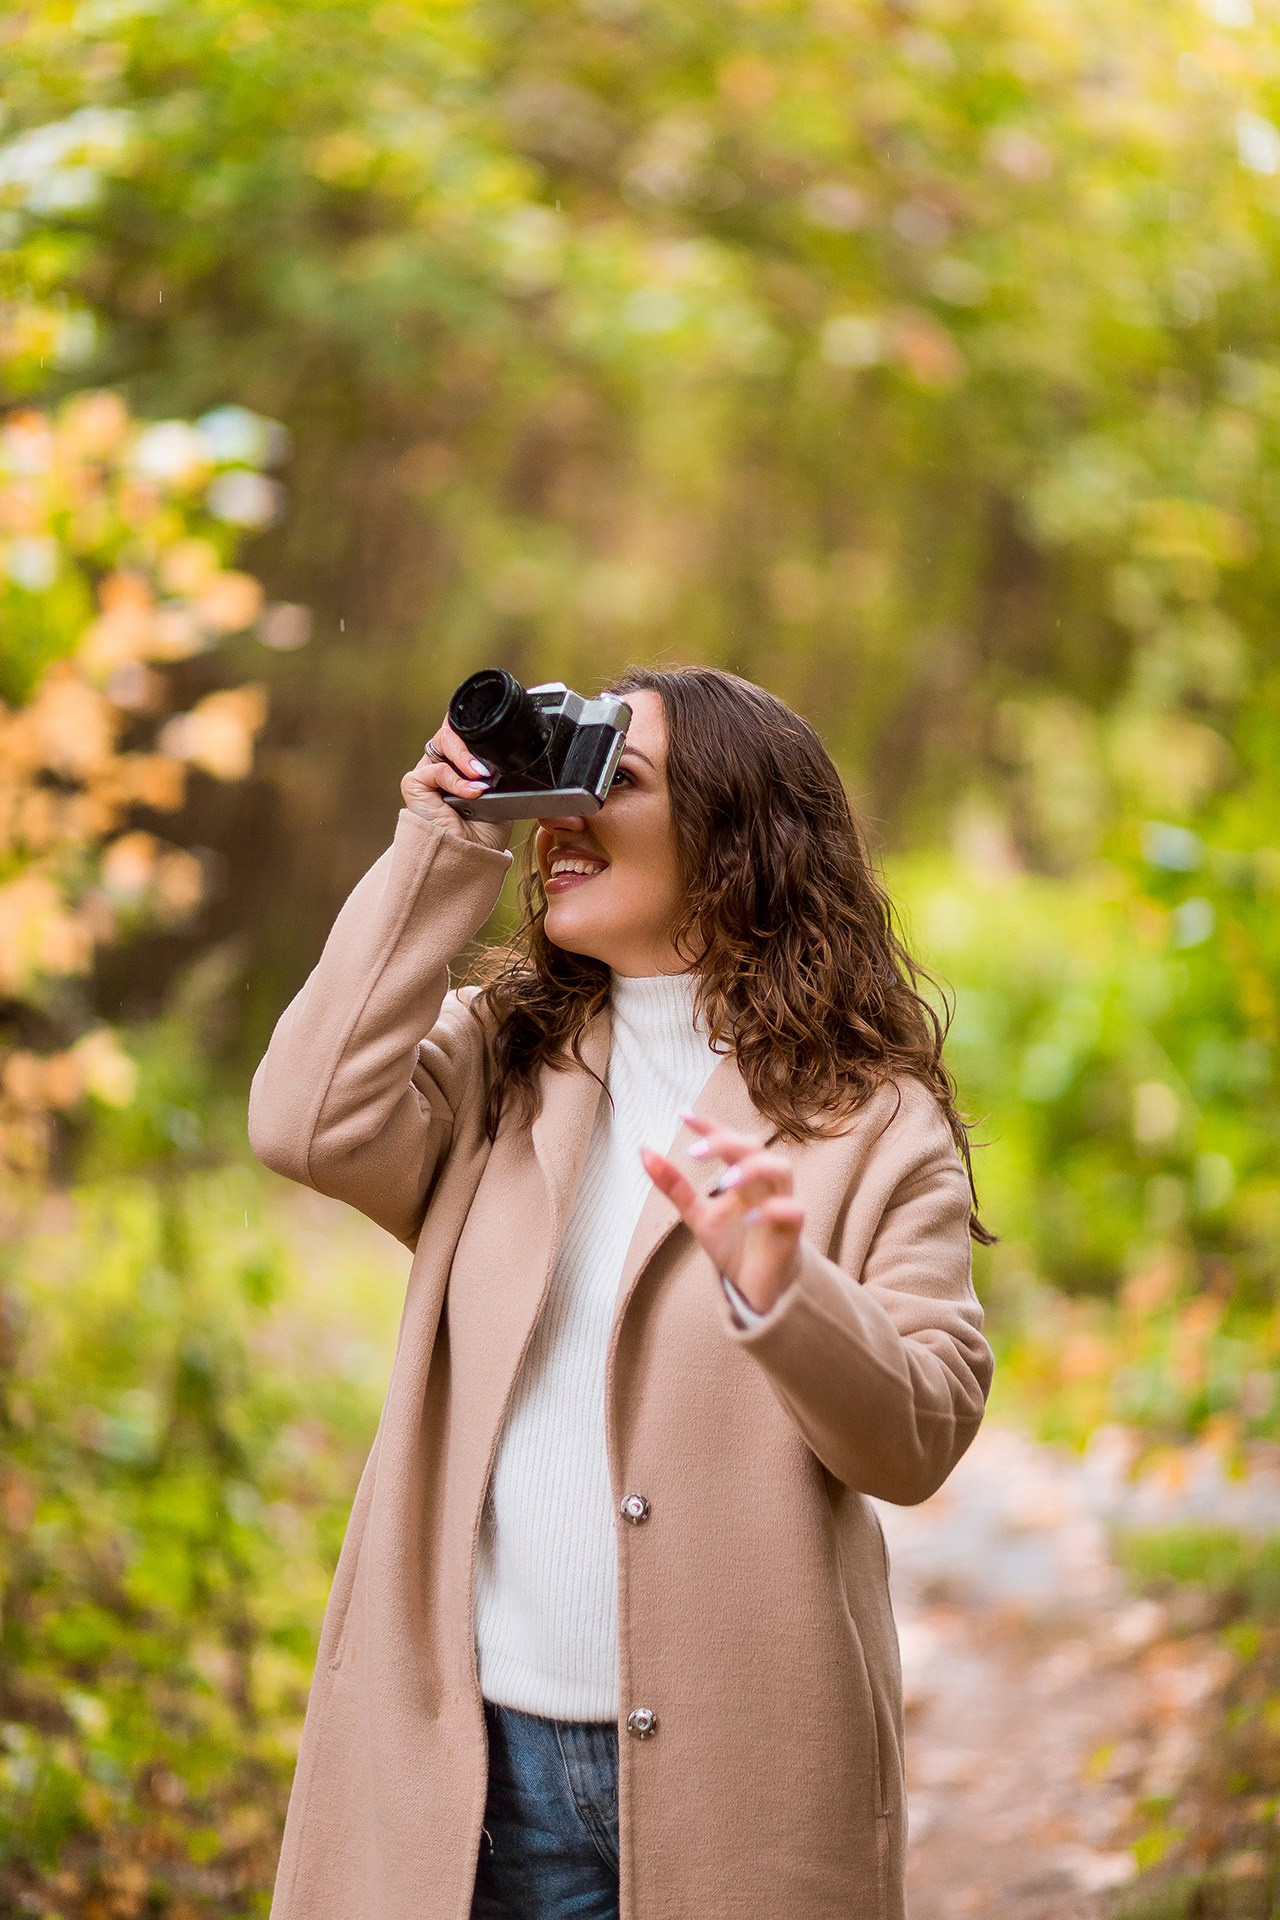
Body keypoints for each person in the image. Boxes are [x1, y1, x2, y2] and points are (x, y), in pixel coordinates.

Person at [248, 664, 995, 1920]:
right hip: (470, 1774)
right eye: (559, 784)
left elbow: (917, 1438)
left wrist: (787, 1292)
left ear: (737, 840)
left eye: (616, 779)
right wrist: (442, 838)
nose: (565, 820)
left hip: (739, 1788)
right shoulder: (498, 1060)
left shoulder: (869, 1120)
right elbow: (304, 1122)